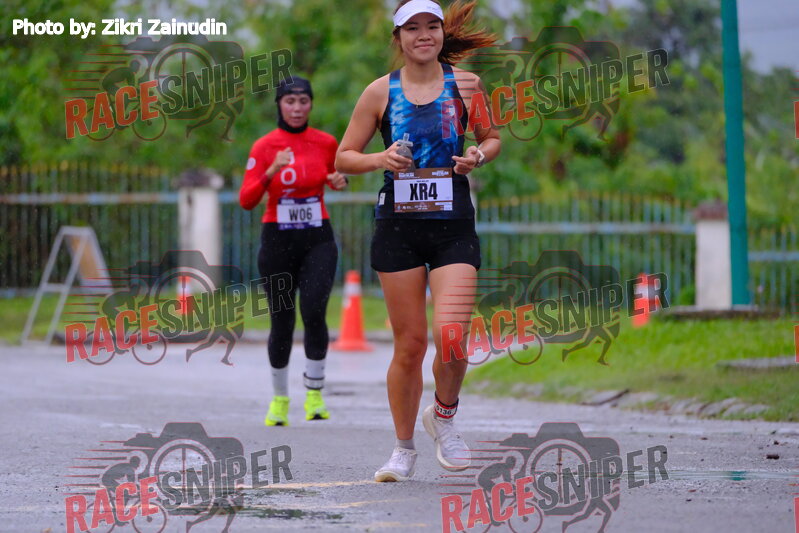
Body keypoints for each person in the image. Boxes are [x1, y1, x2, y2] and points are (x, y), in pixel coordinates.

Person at [335, 0, 500, 482]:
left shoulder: (466, 85)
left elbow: (492, 138)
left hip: (453, 226)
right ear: (399, 38)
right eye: (413, 28)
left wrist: (477, 156)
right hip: (398, 229)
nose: (423, 35)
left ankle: (444, 417)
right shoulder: (379, 92)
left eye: (432, 26)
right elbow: (344, 157)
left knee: (453, 336)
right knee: (409, 345)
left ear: (442, 34)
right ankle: (402, 449)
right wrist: (380, 158)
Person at [240, 76, 348, 426]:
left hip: (318, 238)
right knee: (282, 319)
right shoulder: (265, 146)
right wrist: (272, 170)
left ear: (311, 104)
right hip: (277, 241)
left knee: (314, 310)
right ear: (279, 105)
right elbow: (246, 200)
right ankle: (279, 400)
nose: (297, 108)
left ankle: (314, 395)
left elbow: (337, 175)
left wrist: (340, 180)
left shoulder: (325, 142)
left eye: (303, 101)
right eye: (290, 101)